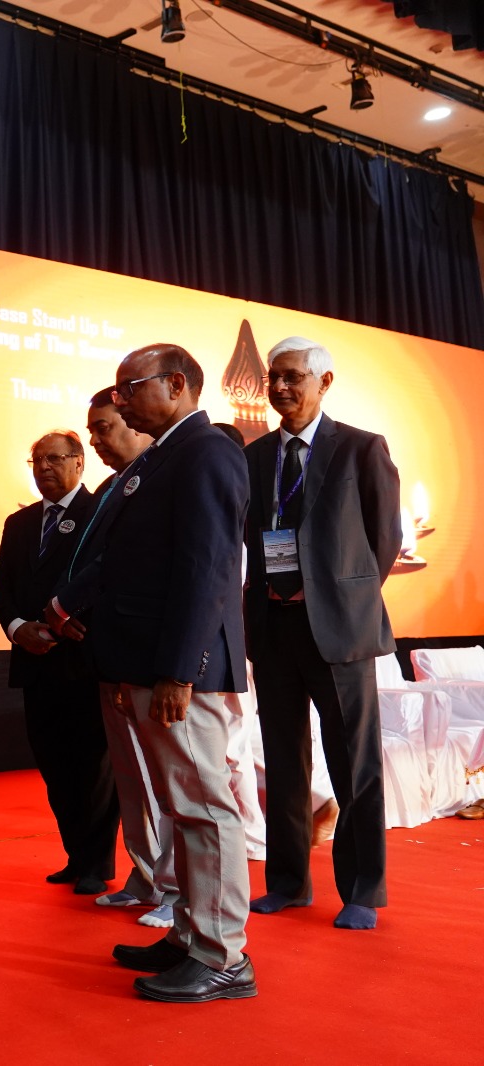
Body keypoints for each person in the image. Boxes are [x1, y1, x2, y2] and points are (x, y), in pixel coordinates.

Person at [48, 343, 256, 1003]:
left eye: (127, 388)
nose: (119, 400)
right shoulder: (164, 455)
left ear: (174, 384)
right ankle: (191, 937)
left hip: (179, 672)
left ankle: (224, 956)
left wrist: (178, 670)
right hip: (145, 664)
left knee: (202, 807)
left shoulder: (209, 451)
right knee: (182, 807)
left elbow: (207, 569)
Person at [243, 336, 400, 931]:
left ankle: (362, 889)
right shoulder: (254, 458)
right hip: (273, 627)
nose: (280, 387)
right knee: (283, 762)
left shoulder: (361, 449)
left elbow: (384, 541)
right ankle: (287, 881)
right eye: (273, 377)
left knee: (355, 766)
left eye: (293, 377)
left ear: (323, 383)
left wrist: (340, 593)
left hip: (339, 633)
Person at [0, 430, 117, 897]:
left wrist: (63, 621)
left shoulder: (98, 515)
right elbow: (0, 587)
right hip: (34, 662)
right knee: (52, 765)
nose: (43, 467)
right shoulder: (19, 523)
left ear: (79, 463)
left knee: (92, 766)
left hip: (82, 661)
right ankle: (74, 854)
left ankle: (96, 863)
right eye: (36, 459)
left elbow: (105, 579)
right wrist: (18, 626)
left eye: (54, 458)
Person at [78, 391, 176, 926]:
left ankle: (176, 891)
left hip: (156, 662)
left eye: (105, 427)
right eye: (91, 430)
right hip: (113, 656)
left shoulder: (164, 479)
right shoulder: (111, 488)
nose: (96, 440)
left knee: (171, 784)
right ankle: (144, 876)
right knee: (131, 778)